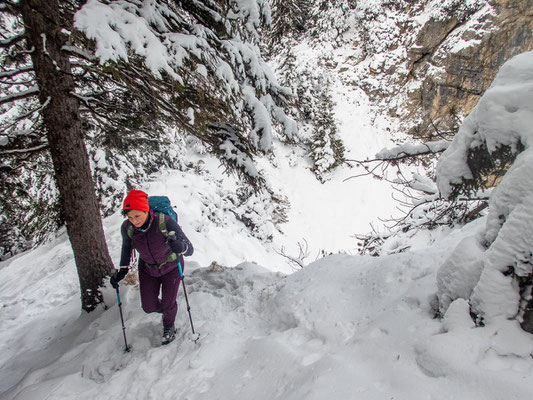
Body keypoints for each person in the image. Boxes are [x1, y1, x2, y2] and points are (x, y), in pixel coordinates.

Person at [110, 189, 193, 345]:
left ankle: (169, 325)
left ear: (146, 210)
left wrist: (179, 246)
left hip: (172, 266)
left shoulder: (165, 222)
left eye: (137, 216)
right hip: (147, 268)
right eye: (129, 217)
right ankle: (169, 309)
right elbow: (126, 248)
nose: (133, 221)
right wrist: (122, 271)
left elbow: (190, 249)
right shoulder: (127, 228)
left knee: (168, 304)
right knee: (149, 307)